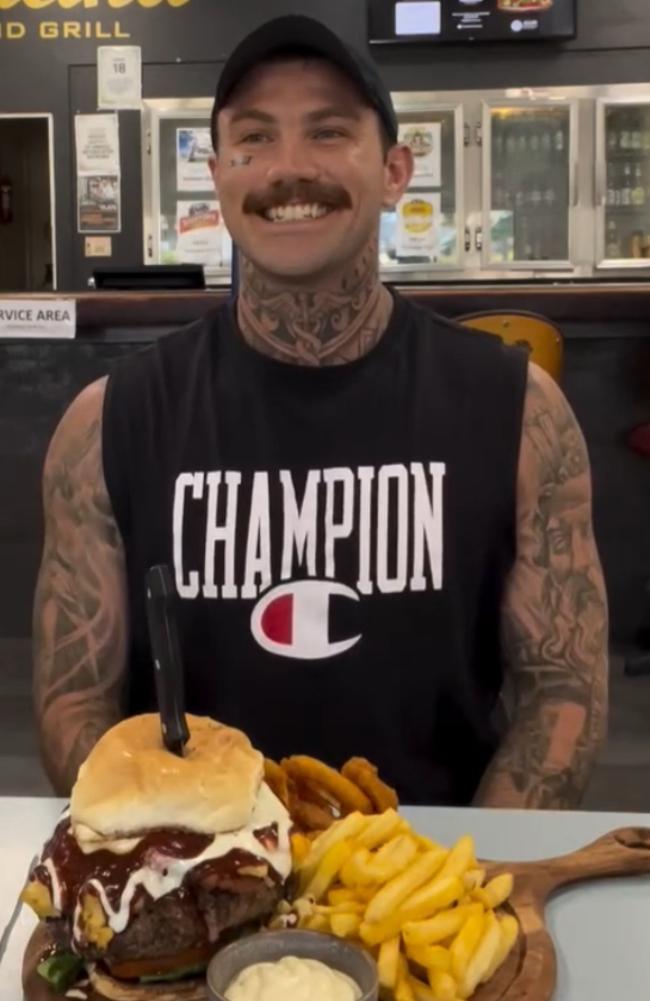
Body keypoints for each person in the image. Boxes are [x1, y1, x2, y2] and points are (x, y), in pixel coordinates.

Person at [32, 15, 608, 807]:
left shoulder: (518, 414)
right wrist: (181, 867)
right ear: (216, 173)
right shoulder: (106, 424)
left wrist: (457, 883)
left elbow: (562, 693)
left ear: (396, 169)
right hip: (201, 899)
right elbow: (73, 700)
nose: (289, 169)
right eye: (254, 139)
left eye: (328, 132)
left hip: (428, 896)